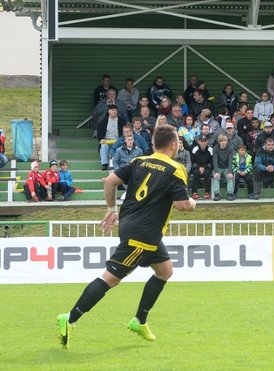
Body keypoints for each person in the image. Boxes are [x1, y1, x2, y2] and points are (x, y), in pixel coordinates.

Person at [56, 125, 196, 348]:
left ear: (152, 144)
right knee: (110, 279)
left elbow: (110, 181)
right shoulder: (176, 168)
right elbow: (181, 205)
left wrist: (111, 210)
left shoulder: (138, 161)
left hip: (136, 228)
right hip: (142, 235)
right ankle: (70, 318)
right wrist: (192, 203)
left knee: (164, 270)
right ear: (174, 144)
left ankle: (139, 320)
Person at [96, 104, 125, 171]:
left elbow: (124, 132)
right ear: (109, 111)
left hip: (118, 140)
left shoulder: (121, 121)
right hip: (107, 140)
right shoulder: (103, 121)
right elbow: (99, 133)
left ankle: (118, 164)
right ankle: (104, 164)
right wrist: (101, 139)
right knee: (103, 146)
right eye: (112, 110)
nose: (114, 111)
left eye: (115, 110)